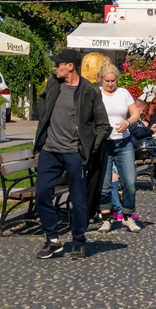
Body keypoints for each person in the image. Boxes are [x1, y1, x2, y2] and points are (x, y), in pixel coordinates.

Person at [33, 50, 108, 260]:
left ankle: (78, 241)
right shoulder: (53, 85)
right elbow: (42, 101)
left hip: (74, 153)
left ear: (70, 66)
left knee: (78, 200)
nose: (55, 68)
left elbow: (103, 126)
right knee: (41, 195)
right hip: (50, 150)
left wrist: (89, 147)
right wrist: (45, 127)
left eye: (59, 65)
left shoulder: (90, 91)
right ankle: (53, 240)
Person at [97, 65, 139, 232]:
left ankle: (128, 216)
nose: (110, 84)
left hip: (124, 142)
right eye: (107, 81)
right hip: (104, 143)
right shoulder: (97, 94)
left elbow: (135, 113)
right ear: (101, 79)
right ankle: (106, 219)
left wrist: (127, 122)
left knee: (130, 180)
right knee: (105, 184)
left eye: (113, 80)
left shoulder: (123, 93)